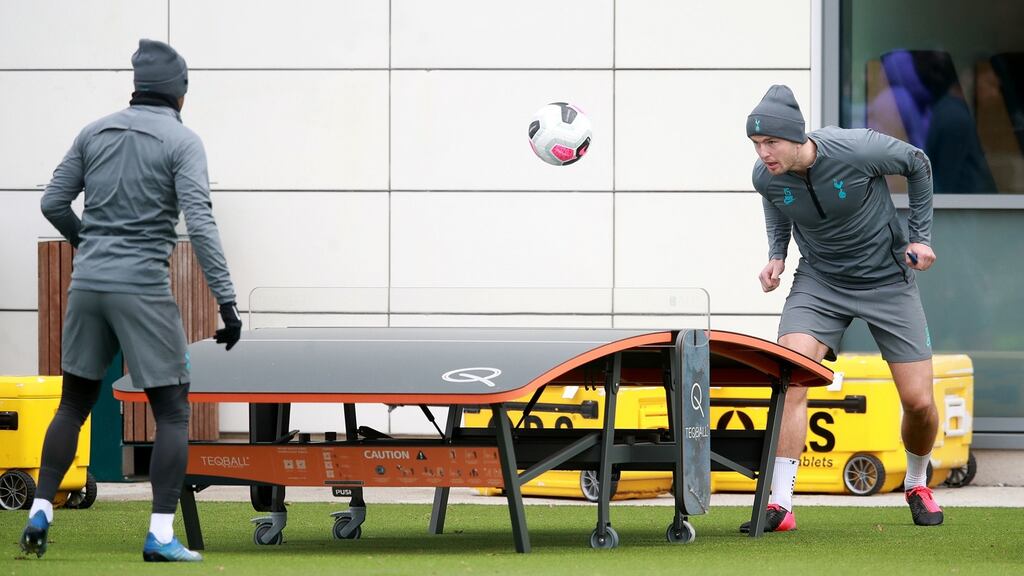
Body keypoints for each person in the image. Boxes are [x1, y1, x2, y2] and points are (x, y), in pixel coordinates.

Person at [22, 39, 242, 562]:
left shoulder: (93, 131)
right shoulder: (182, 141)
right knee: (172, 410)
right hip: (142, 286)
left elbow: (53, 202)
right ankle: (161, 534)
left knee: (73, 403)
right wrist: (227, 303)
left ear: (137, 87)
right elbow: (202, 225)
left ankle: (40, 509)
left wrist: (87, 243)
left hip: (87, 284)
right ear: (180, 94)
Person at [744, 85, 942, 532]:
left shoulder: (857, 148)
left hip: (887, 280)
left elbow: (918, 164)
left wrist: (921, 236)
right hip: (820, 283)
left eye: (771, 142)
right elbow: (776, 203)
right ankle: (780, 505)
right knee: (790, 378)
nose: (764, 153)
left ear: (796, 137)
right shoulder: (765, 175)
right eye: (756, 145)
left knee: (919, 403)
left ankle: (916, 481)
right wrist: (777, 253)